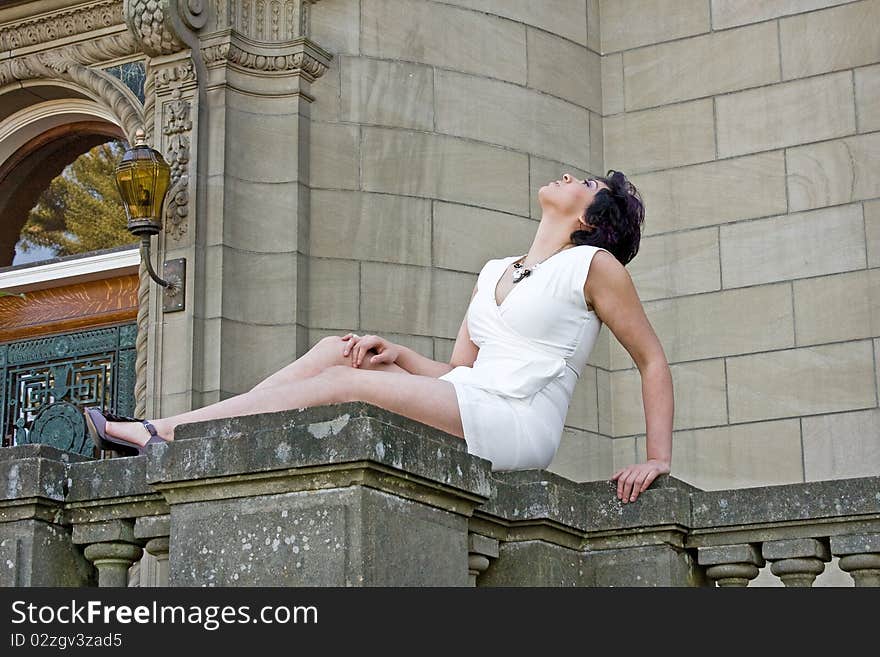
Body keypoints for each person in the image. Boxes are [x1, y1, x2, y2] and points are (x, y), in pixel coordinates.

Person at [85, 170, 673, 504]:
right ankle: (174, 432)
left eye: (587, 182)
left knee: (346, 385)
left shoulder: (595, 267)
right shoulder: (495, 270)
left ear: (591, 220)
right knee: (339, 352)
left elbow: (650, 360)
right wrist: (399, 355)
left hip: (518, 422)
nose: (569, 175)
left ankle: (164, 435)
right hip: (474, 399)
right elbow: (456, 376)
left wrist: (657, 459)